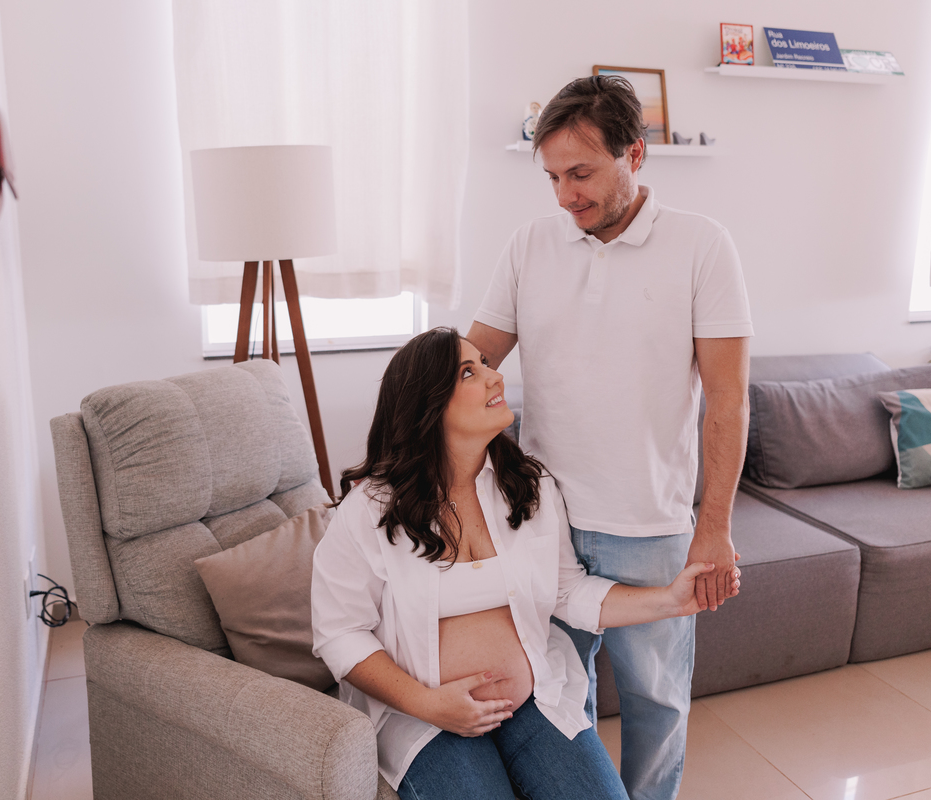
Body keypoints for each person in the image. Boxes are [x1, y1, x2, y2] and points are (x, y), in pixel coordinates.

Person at [466, 75, 753, 800]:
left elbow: (726, 399)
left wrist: (713, 529)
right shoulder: (530, 244)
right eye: (553, 177)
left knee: (657, 702)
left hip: (649, 527)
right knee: (558, 698)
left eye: (582, 173)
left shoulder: (703, 246)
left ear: (635, 154)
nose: (565, 196)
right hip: (543, 521)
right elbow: (470, 365)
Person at [311, 327, 739, 800]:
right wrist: (429, 704)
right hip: (425, 720)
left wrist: (671, 600)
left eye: (486, 364)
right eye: (469, 372)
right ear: (427, 407)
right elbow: (339, 633)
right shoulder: (370, 509)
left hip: (535, 704)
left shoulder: (527, 487)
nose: (495, 378)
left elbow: (567, 592)